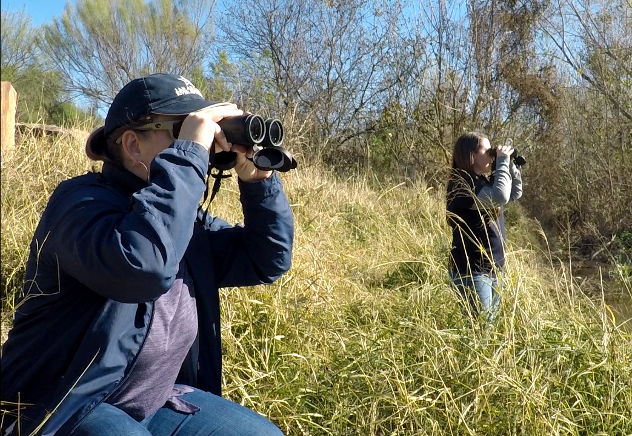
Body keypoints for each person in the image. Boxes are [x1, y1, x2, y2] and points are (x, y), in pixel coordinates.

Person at [0, 73, 294, 436]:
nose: (201, 144)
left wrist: (258, 181)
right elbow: (144, 267)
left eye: (201, 130)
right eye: (182, 130)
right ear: (132, 146)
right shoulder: (79, 204)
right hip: (61, 402)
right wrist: (189, 156)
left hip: (156, 400)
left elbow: (266, 259)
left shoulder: (183, 216)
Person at [446, 131, 523, 324]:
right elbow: (501, 196)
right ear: (470, 155)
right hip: (472, 270)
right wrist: (502, 162)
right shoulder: (462, 185)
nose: (491, 154)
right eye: (486, 150)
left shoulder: (482, 182)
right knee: (480, 331)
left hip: (493, 268)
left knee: (487, 329)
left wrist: (508, 163)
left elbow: (514, 193)